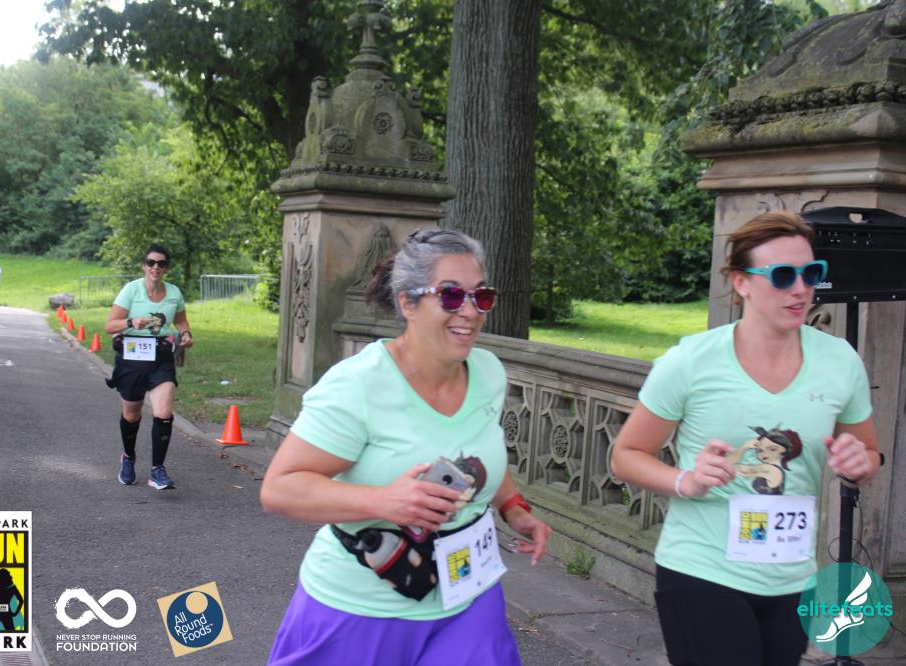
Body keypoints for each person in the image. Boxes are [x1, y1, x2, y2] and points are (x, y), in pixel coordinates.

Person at [260, 229, 552, 665]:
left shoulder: (488, 371)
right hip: (363, 607)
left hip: (468, 600)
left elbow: (483, 448)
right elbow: (279, 489)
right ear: (407, 303)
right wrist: (384, 500)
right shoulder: (359, 385)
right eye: (451, 296)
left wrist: (514, 507)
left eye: (481, 296)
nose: (470, 311)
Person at [611, 211, 881, 666]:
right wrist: (686, 481)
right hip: (702, 570)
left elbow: (869, 453)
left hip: (791, 577)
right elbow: (626, 455)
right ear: (741, 283)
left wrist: (860, 464)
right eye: (783, 275)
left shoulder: (840, 362)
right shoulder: (691, 361)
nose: (801, 289)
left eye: (812, 273)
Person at [104, 244, 193, 490]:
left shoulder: (174, 292)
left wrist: (186, 334)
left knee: (163, 413)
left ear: (166, 268)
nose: (156, 267)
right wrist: (131, 322)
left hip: (161, 357)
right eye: (151, 262)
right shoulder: (131, 290)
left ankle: (157, 470)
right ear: (143, 265)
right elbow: (110, 325)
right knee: (131, 415)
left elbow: (181, 320)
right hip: (131, 357)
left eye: (161, 263)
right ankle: (128, 457)